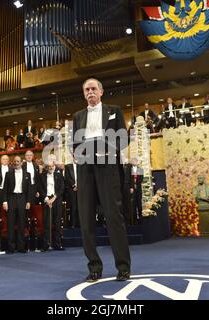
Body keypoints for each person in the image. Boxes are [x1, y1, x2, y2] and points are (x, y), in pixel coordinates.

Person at [72, 78, 131, 282]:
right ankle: (94, 268)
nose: (90, 92)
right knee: (86, 220)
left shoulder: (114, 110)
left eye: (93, 88)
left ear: (101, 91)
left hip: (108, 167)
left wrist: (103, 147)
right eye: (86, 89)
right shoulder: (78, 116)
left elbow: (123, 139)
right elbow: (75, 144)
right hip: (85, 169)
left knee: (114, 217)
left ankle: (123, 267)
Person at [2, 155, 32, 254]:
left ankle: (21, 247)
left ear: (21, 163)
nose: (16, 163)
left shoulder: (27, 174)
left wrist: (28, 201)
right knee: (10, 223)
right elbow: (5, 188)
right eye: (15, 161)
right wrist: (5, 201)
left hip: (22, 198)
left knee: (21, 224)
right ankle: (11, 247)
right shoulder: (8, 173)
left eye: (18, 161)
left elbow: (29, 190)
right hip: (11, 198)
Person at [39, 158, 65, 251]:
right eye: (48, 166)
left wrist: (54, 198)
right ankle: (46, 245)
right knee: (47, 223)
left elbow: (62, 188)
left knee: (57, 223)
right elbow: (40, 188)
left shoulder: (59, 174)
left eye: (52, 166)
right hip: (47, 200)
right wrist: (47, 199)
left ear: (54, 165)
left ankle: (57, 244)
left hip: (56, 200)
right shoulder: (42, 175)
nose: (50, 168)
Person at [125, 158, 143, 224]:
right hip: (132, 189)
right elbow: (129, 179)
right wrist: (131, 186)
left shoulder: (140, 169)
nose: (134, 162)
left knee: (139, 204)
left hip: (138, 189)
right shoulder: (130, 169)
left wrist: (136, 182)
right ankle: (134, 220)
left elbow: (141, 179)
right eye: (133, 161)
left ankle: (141, 219)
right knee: (133, 205)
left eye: (135, 161)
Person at [65, 158, 79, 228]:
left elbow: (84, 177)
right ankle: (73, 223)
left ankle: (80, 223)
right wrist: (74, 185)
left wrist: (79, 185)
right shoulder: (68, 166)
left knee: (80, 207)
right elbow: (67, 177)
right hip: (72, 189)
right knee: (73, 206)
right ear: (73, 158)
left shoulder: (81, 166)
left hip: (81, 189)